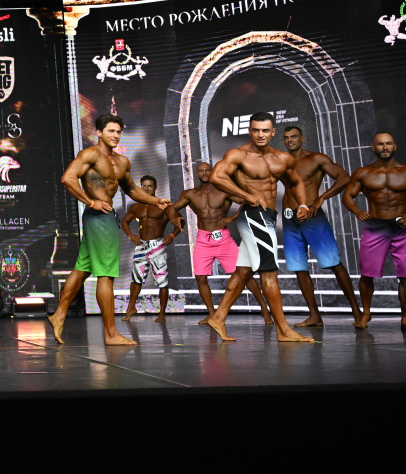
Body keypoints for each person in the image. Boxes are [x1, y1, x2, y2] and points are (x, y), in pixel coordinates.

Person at [48, 114, 169, 345]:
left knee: (82, 268)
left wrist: (156, 201)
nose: (115, 135)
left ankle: (59, 315)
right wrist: (90, 201)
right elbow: (68, 178)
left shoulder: (122, 161)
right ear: (99, 132)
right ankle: (111, 334)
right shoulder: (90, 155)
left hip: (106, 217)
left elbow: (132, 189)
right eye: (110, 131)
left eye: (118, 131)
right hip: (99, 218)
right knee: (106, 275)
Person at [204, 112, 313, 342]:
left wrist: (303, 204)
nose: (260, 135)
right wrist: (246, 195)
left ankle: (218, 317)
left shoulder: (282, 158)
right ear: (250, 131)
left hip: (268, 216)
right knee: (269, 273)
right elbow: (216, 176)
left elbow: (296, 182)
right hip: (254, 216)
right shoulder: (238, 155)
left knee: (244, 271)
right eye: (256, 130)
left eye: (265, 130)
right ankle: (283, 330)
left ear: (273, 132)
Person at [168, 161, 273, 325]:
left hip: (224, 239)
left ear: (212, 172)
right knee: (200, 277)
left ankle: (264, 310)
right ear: (196, 173)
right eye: (201, 171)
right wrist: (174, 218)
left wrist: (231, 218)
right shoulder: (190, 194)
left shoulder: (224, 191)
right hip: (203, 239)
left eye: (207, 170)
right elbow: (172, 208)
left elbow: (248, 200)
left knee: (244, 274)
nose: (204, 173)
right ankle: (212, 314)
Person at [281, 125, 360, 325]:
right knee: (299, 268)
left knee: (333, 263)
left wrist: (321, 198)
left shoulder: (315, 159)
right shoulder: (281, 162)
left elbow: (344, 177)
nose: (290, 140)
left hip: (312, 216)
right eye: (286, 138)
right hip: (289, 218)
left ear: (302, 138)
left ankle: (357, 313)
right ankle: (315, 316)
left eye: (294, 137)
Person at [341, 132, 406, 329]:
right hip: (375, 227)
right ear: (373, 147)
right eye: (380, 144)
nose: (385, 147)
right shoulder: (363, 173)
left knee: (405, 275)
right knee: (367, 274)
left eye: (388, 143)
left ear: (394, 146)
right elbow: (347, 196)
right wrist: (357, 211)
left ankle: (405, 316)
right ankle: (366, 313)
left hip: (402, 227)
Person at [121, 176, 175, 322]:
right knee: (136, 279)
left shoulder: (163, 205)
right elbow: (124, 221)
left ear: (155, 188)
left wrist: (172, 235)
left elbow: (178, 221)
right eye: (143, 186)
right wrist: (131, 235)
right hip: (141, 246)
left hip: (157, 245)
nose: (146, 188)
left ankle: (162, 314)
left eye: (149, 186)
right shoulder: (136, 207)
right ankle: (131, 308)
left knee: (162, 281)